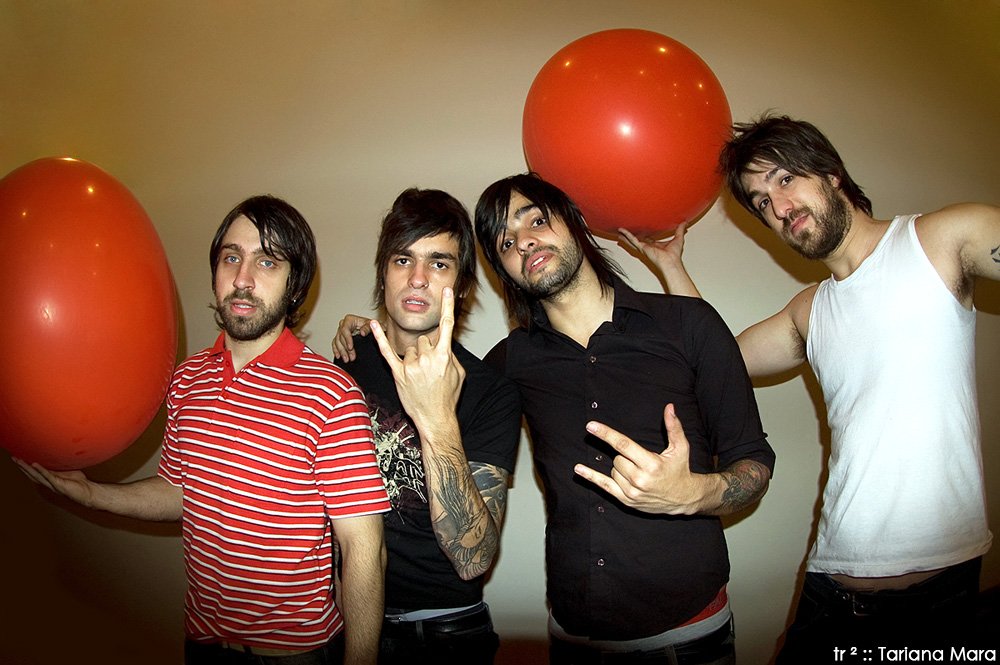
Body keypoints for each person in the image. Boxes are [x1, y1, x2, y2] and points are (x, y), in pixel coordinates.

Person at [622, 114, 1000, 659]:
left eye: (784, 178)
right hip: (828, 582)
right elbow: (717, 360)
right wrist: (670, 266)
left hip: (934, 594)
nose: (778, 207)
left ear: (830, 173)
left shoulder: (941, 240)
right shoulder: (810, 310)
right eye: (761, 201)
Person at [16, 195, 391, 665]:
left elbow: (363, 547)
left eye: (267, 262)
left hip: (294, 653)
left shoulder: (330, 392)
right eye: (231, 258)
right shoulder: (186, 378)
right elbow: (180, 491)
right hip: (203, 645)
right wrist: (92, 494)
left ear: (294, 285)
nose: (242, 279)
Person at [473, 173, 776, 664]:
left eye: (536, 220)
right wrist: (377, 336)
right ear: (504, 270)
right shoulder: (510, 361)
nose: (523, 241)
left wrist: (693, 494)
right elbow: (440, 391)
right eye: (505, 242)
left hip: (690, 637)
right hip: (572, 637)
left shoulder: (690, 325)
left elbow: (755, 463)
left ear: (574, 222)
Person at [332, 188, 521, 664]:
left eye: (438, 263)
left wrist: (437, 420)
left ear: (462, 286)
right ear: (383, 273)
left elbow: (473, 558)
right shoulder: (343, 368)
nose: (417, 278)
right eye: (403, 259)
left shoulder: (491, 391)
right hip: (343, 623)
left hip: (445, 635)